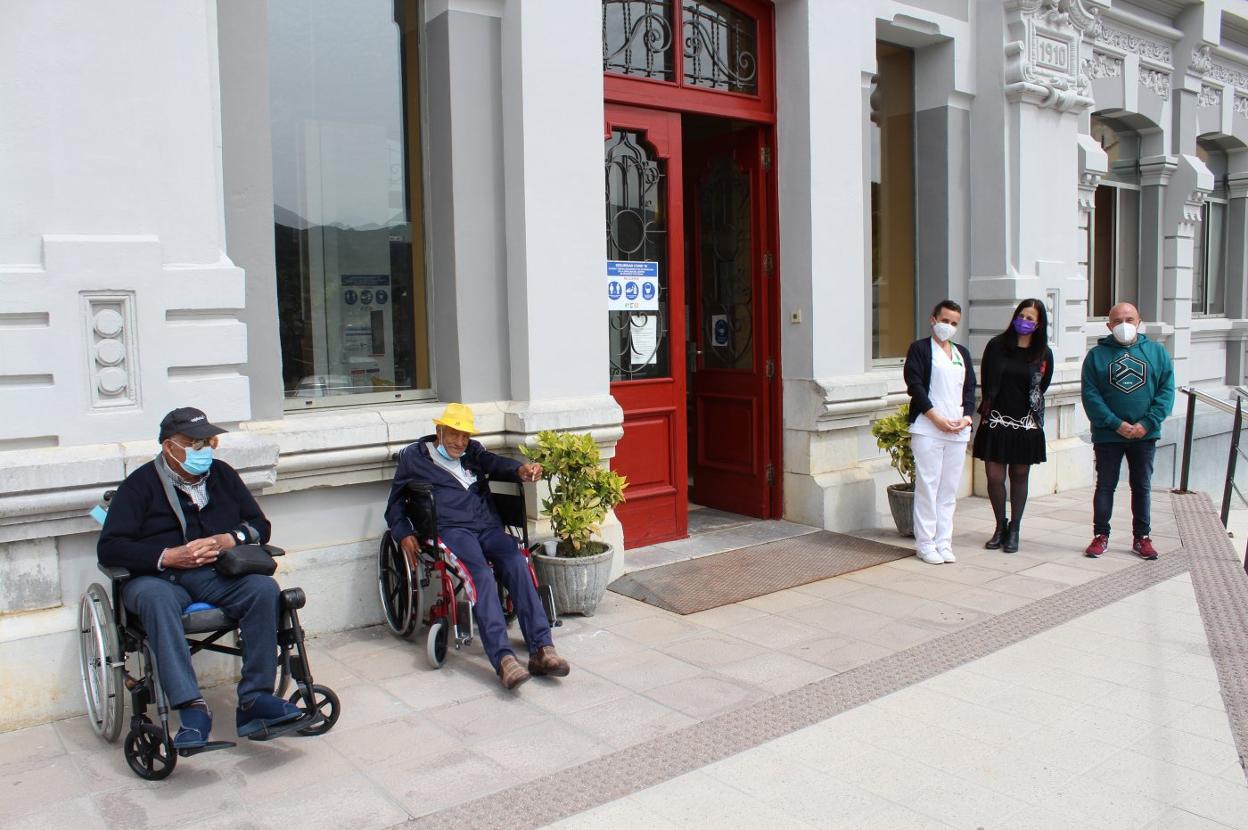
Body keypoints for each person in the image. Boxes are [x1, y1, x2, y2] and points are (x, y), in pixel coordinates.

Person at [97, 407, 303, 750]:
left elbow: (259, 525)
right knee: (156, 601)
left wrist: (230, 539)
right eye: (194, 443)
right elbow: (110, 548)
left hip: (214, 573)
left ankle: (255, 700)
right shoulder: (140, 485)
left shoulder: (223, 475)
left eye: (208, 441)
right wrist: (167, 556)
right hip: (159, 578)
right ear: (169, 447)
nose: (204, 448)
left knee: (262, 589)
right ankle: (191, 709)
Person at [385, 402, 569, 690]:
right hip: (450, 529)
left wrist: (520, 470)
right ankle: (503, 658)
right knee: (480, 575)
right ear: (439, 431)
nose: (460, 442)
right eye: (454, 434)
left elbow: (494, 463)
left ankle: (542, 648)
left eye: (465, 436)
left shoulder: (473, 452)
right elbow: (394, 504)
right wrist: (403, 532)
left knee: (517, 561)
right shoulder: (415, 458)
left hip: (487, 525)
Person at [1080, 302, 1174, 560]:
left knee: (1142, 486)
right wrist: (1115, 423)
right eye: (1118, 320)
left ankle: (1141, 537)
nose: (1124, 325)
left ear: (1139, 321)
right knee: (1105, 486)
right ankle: (1101, 535)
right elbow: (1091, 395)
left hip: (1144, 435)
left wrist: (1147, 423)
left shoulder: (1157, 353)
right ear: (1109, 325)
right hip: (1108, 435)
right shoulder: (1096, 356)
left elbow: (1166, 392)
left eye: (1129, 319)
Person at [972, 299, 1055, 553]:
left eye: (1031, 318)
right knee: (994, 477)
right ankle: (1000, 525)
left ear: (1039, 324)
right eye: (1022, 315)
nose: (1025, 321)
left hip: (1026, 424)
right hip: (997, 420)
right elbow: (986, 381)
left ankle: (1015, 529)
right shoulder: (996, 346)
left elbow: (1042, 387)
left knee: (1020, 475)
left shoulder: (1043, 354)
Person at [903, 300, 977, 565]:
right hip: (928, 428)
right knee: (928, 486)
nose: (949, 327)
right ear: (933, 320)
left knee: (948, 490)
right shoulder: (920, 349)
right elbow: (915, 386)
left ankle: (943, 542)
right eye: (945, 321)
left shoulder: (961, 354)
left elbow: (969, 389)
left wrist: (967, 417)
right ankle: (925, 544)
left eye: (954, 323)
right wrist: (935, 417)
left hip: (957, 430)